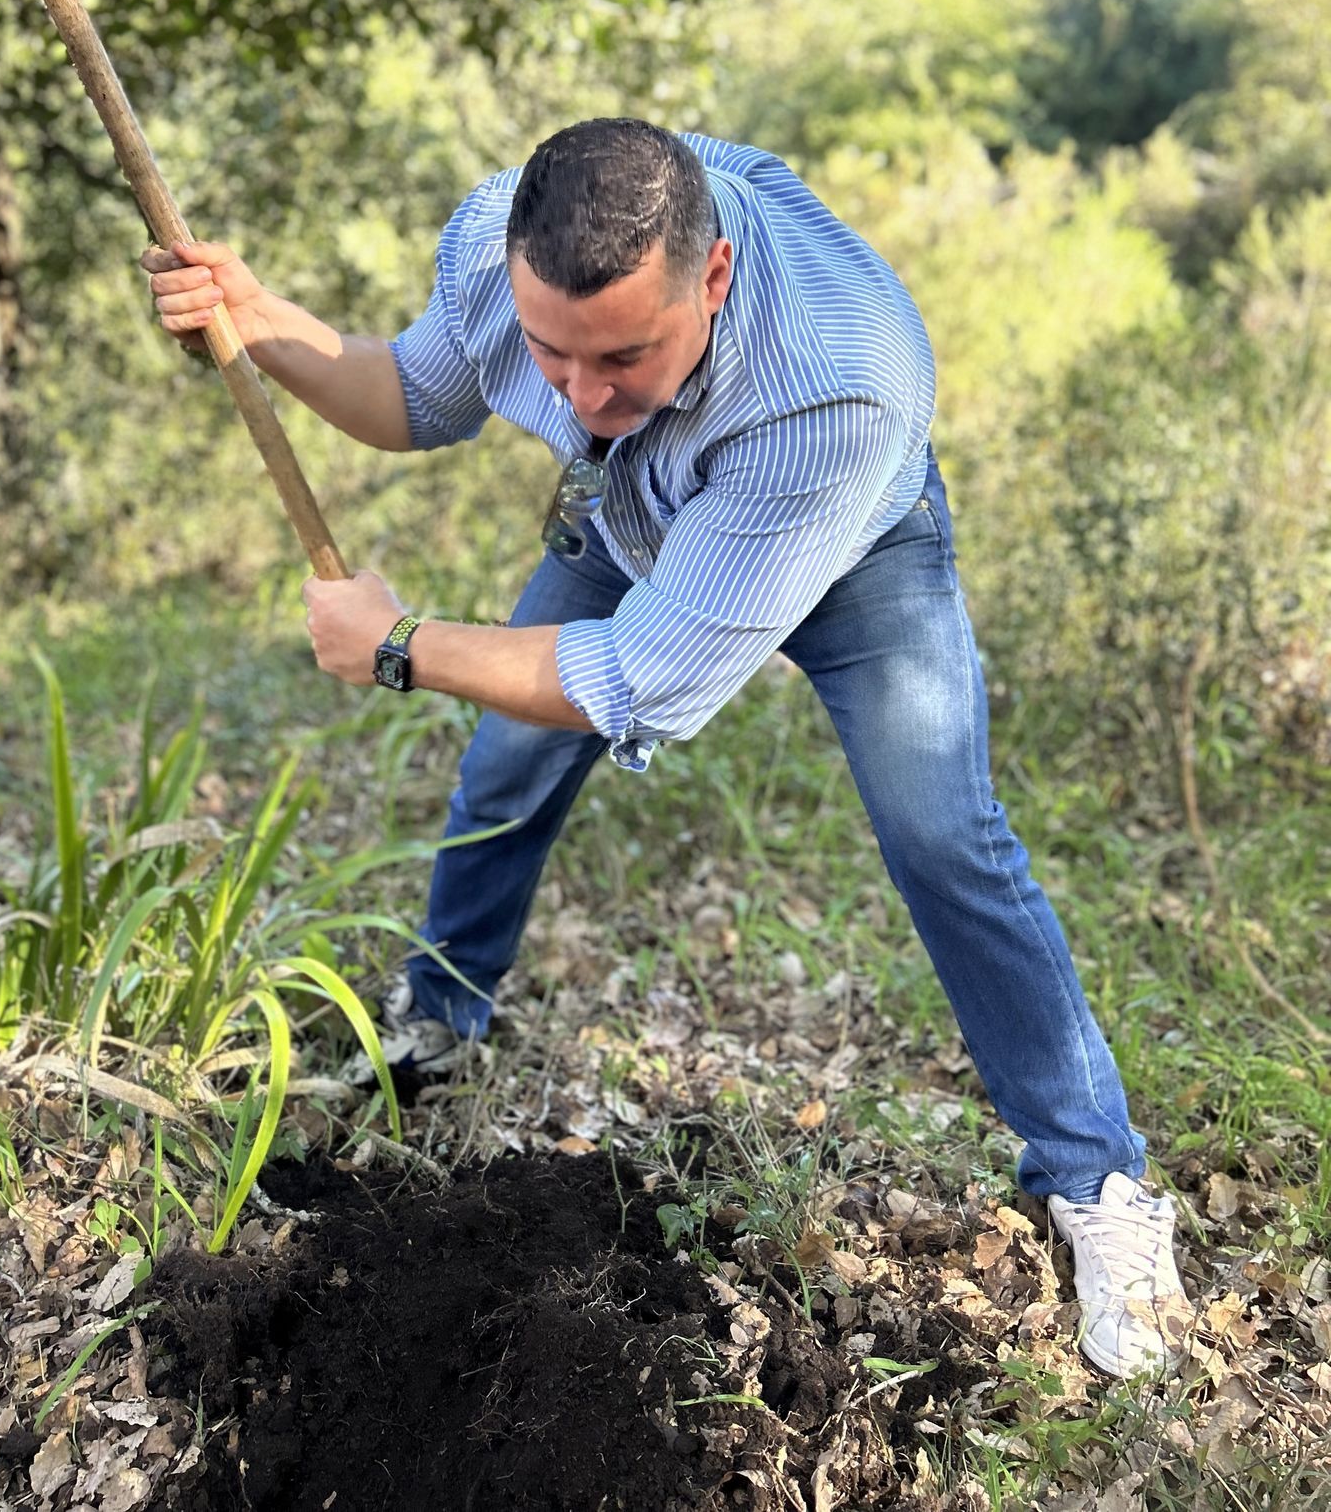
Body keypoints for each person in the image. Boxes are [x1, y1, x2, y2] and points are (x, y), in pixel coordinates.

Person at [144, 117, 1193, 1380]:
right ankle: (439, 1011)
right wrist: (259, 319)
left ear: (712, 279)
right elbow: (415, 395)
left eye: (624, 356)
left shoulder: (832, 384)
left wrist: (402, 643)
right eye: (552, 353)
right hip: (631, 516)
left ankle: (1099, 1179)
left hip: (851, 542)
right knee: (505, 766)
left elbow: (643, 675)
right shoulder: (505, 238)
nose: (580, 395)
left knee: (941, 836)